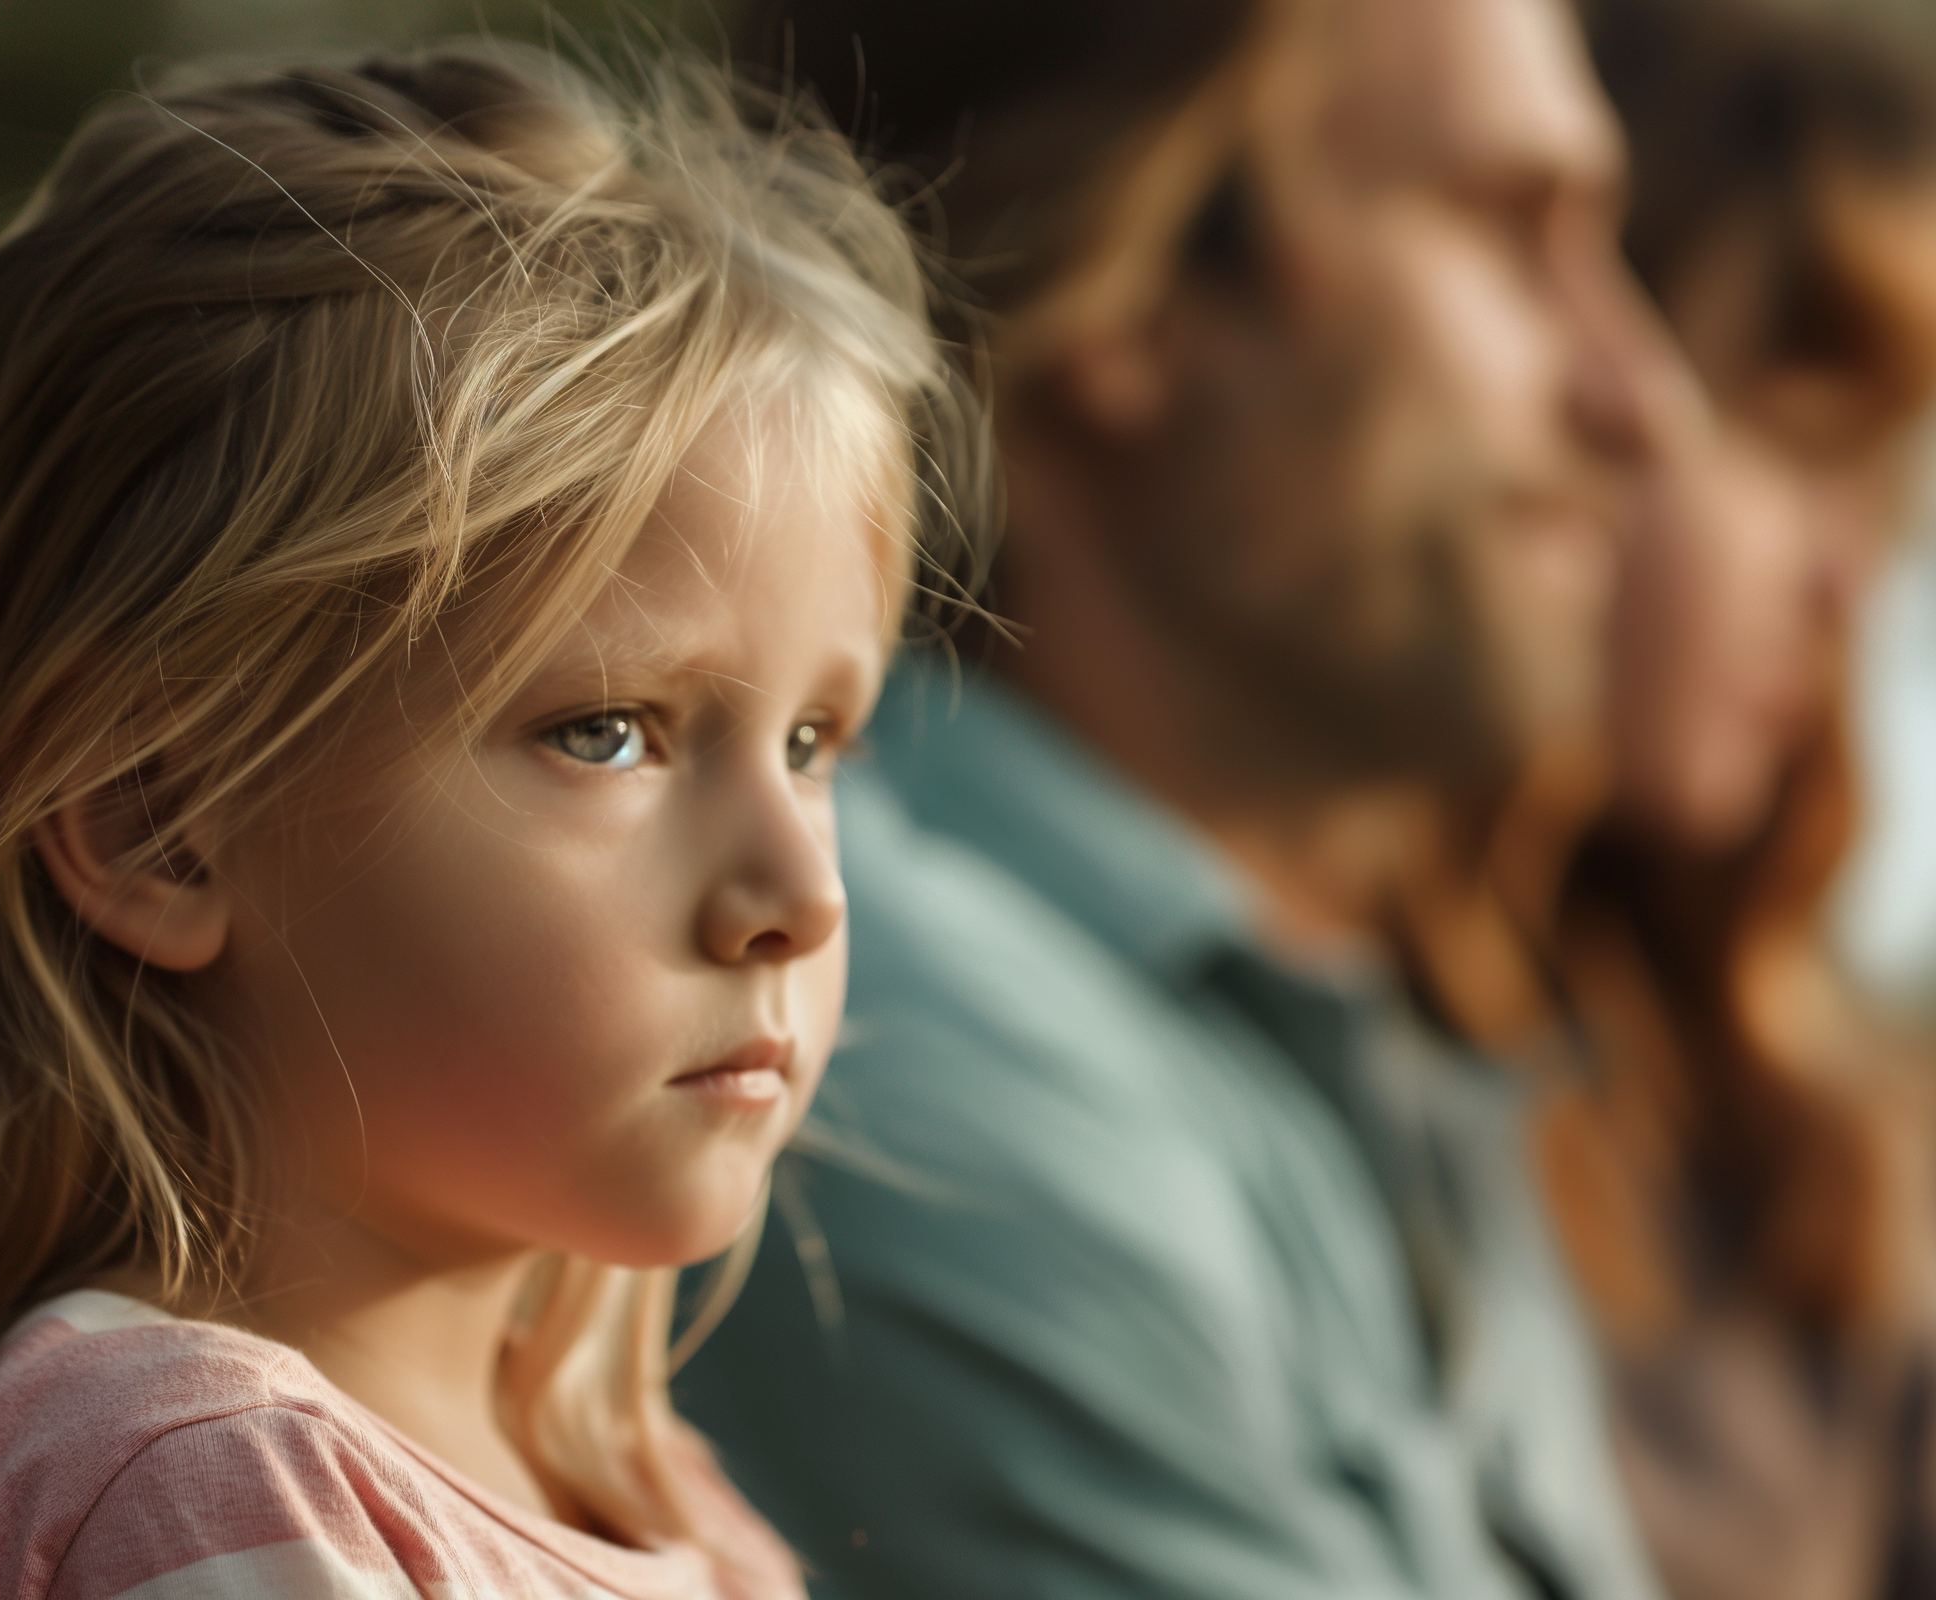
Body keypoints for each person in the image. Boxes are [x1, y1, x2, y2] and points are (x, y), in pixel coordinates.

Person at [0, 45, 974, 1600]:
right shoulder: (197, 1482)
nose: (797, 892)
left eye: (816, 743)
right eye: (609, 733)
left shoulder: (658, 1506)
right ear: (158, 825)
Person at [676, 0, 1681, 1596]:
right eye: (1510, 232)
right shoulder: (866, 1047)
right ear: (1131, 300)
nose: (1642, 397)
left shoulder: (1341, 1049)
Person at [1397, 3, 1936, 1597]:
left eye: (1887, 485)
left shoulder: (1786, 1139)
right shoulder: (1332, 1058)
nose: (1850, 577)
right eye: (1794, 443)